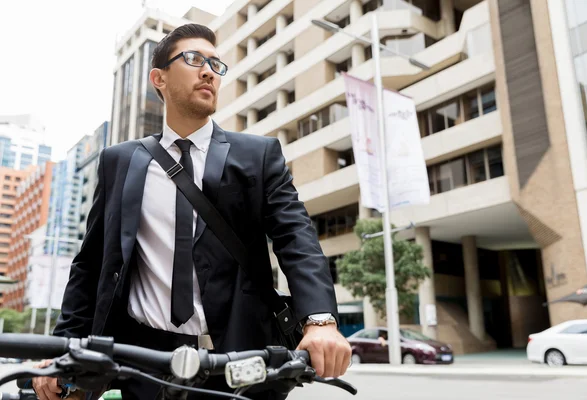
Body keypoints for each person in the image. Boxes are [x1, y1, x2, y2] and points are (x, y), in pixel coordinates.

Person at [32, 23, 351, 400]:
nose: (208, 71)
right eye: (194, 59)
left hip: (240, 363)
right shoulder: (119, 161)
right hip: (143, 365)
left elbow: (296, 237)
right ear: (159, 78)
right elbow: (90, 265)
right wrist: (62, 348)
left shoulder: (258, 155)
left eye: (216, 64)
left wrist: (321, 321)